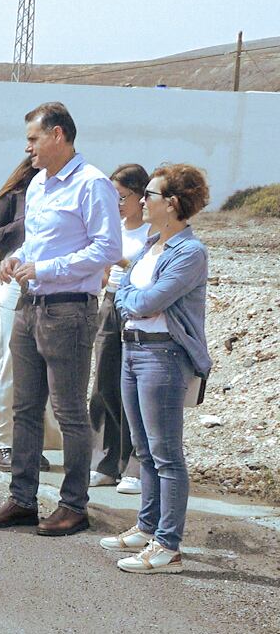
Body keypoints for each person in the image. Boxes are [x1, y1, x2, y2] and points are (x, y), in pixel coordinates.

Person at [0, 102, 121, 536]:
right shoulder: (38, 183)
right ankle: (22, 499)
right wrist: (17, 260)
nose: (28, 148)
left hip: (69, 310)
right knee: (24, 408)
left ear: (58, 135)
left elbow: (107, 249)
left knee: (70, 412)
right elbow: (37, 243)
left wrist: (46, 269)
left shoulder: (92, 184)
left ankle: (73, 505)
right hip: (29, 305)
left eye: (34, 139)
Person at [100, 164, 211, 574]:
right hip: (133, 351)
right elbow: (126, 290)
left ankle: (168, 546)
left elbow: (142, 301)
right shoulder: (152, 244)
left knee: (167, 455)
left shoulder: (190, 252)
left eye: (151, 194)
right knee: (144, 450)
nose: (142, 200)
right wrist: (131, 292)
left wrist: (128, 292)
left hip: (162, 357)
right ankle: (148, 528)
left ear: (174, 204)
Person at [0, 157, 58, 474]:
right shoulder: (12, 197)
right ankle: (5, 442)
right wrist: (28, 222)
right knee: (11, 364)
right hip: (14, 286)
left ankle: (32, 443)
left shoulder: (64, 195)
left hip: (52, 285)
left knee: (45, 367)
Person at [88, 164, 152, 493]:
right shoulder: (113, 227)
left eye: (122, 196)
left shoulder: (153, 232)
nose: (117, 203)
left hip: (138, 306)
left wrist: (121, 262)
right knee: (103, 382)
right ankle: (106, 459)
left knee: (134, 386)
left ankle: (135, 464)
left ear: (142, 195)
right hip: (110, 302)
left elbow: (147, 272)